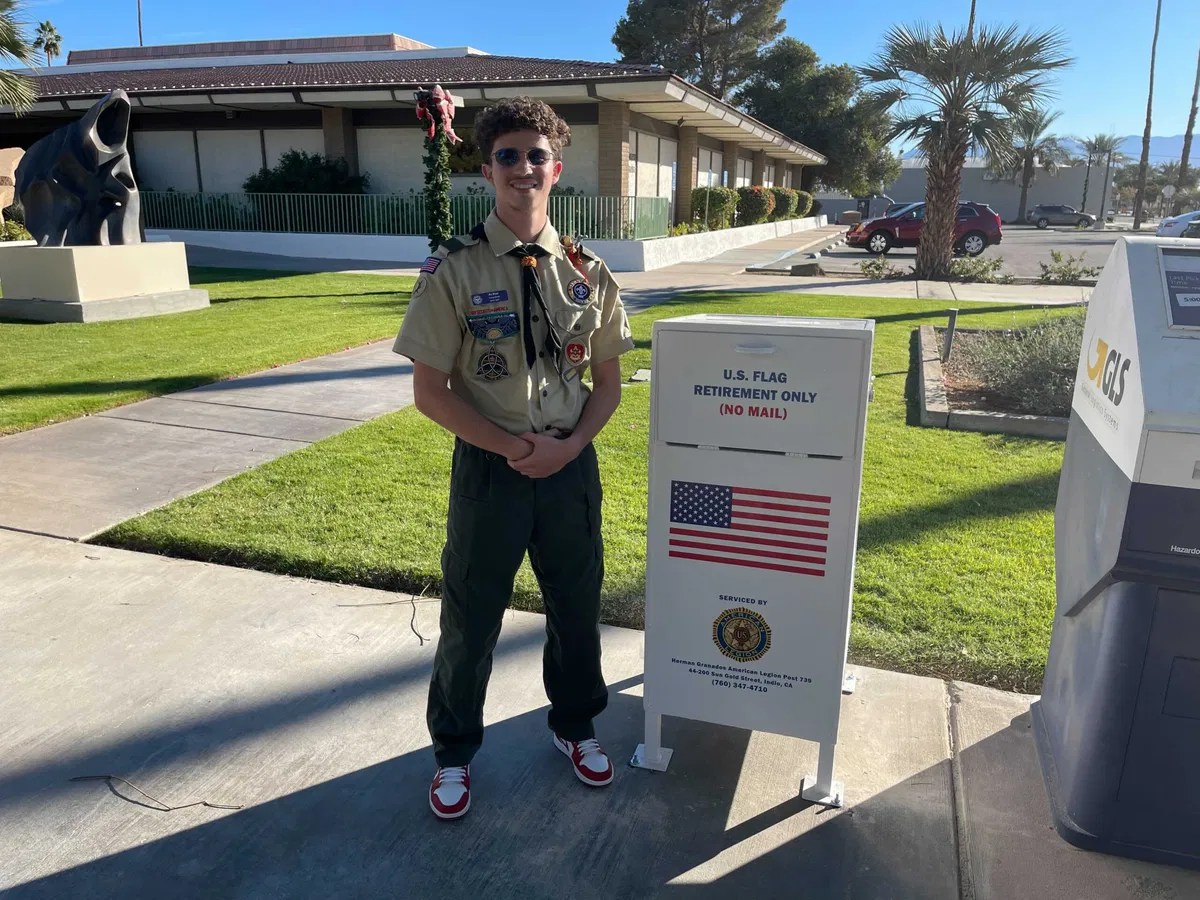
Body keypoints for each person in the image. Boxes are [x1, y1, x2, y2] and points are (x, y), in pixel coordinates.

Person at [393, 96, 635, 820]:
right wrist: (515, 448)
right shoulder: (455, 270)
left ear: (556, 169)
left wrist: (568, 448)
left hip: (570, 469)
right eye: (507, 155)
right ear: (486, 166)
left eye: (536, 155)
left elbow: (609, 382)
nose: (522, 167)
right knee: (471, 616)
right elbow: (430, 392)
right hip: (492, 473)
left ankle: (576, 728)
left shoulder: (587, 270)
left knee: (575, 606)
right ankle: (454, 754)